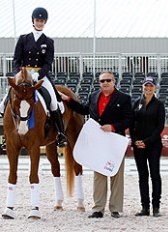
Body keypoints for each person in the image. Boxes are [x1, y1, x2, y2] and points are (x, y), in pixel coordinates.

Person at [59, 71, 132, 218]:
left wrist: (112, 126)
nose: (105, 83)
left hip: (114, 141)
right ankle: (98, 208)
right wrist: (68, 99)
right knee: (99, 174)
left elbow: (129, 119)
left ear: (113, 81)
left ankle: (115, 208)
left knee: (116, 175)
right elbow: (83, 109)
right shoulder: (94, 96)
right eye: (102, 81)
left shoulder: (124, 98)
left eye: (108, 80)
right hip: (98, 142)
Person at [0, 7, 67, 148]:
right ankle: (7, 136)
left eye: (42, 21)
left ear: (45, 22)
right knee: (4, 103)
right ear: (33, 21)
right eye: (37, 20)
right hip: (23, 76)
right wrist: (20, 74)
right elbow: (16, 60)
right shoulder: (23, 39)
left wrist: (38, 74)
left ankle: (61, 134)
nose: (39, 23)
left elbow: (48, 63)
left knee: (54, 102)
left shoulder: (48, 42)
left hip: (40, 75)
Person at [129, 76, 165, 217]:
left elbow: (160, 126)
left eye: (151, 86)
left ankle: (156, 206)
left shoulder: (159, 104)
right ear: (143, 87)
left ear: (154, 87)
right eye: (146, 86)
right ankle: (145, 207)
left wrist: (148, 141)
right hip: (139, 146)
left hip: (154, 145)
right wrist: (135, 140)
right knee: (142, 176)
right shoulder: (137, 103)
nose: (148, 88)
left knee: (155, 175)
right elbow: (132, 124)